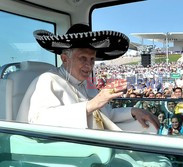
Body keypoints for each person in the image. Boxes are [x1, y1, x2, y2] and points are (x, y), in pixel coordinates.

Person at [17, 24, 168, 167]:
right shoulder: (48, 79)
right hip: (69, 155)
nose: (89, 65)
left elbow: (105, 116)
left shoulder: (86, 84)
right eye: (83, 58)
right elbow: (39, 121)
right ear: (65, 59)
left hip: (97, 148)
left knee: (158, 160)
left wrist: (134, 111)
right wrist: (91, 104)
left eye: (92, 59)